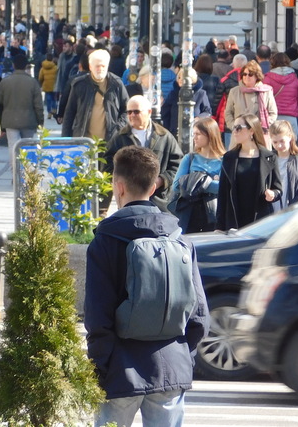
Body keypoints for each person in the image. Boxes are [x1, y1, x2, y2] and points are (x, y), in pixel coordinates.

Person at [85, 145, 209, 427]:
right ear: (153, 187)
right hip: (171, 366)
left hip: (120, 369)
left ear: (118, 187)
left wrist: (100, 367)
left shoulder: (106, 240)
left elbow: (97, 316)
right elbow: (199, 315)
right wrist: (183, 357)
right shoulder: (179, 238)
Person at [104, 95, 183, 213]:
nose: (132, 115)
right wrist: (122, 182)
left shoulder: (164, 137)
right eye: (129, 112)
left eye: (136, 112)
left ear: (149, 112)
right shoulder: (119, 138)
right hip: (129, 201)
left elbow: (178, 165)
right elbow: (107, 165)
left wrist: (162, 180)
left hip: (158, 201)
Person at [216, 113, 283, 230]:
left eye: (238, 128)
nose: (234, 132)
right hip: (234, 220)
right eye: (233, 128)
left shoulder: (269, 157)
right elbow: (223, 194)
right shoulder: (229, 158)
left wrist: (273, 194)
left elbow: (278, 189)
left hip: (261, 220)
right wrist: (219, 227)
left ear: (251, 131)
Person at [61, 49, 129, 144]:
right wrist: (65, 140)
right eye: (97, 66)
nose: (100, 69)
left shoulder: (117, 84)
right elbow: (69, 113)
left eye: (103, 66)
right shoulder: (79, 84)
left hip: (110, 143)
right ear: (90, 67)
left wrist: (118, 127)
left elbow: (126, 110)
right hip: (85, 141)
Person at [170, 117, 225, 233]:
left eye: (198, 134)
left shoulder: (224, 160)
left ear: (210, 134)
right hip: (189, 215)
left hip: (214, 214)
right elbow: (176, 186)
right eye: (193, 133)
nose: (194, 137)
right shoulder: (189, 158)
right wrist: (209, 180)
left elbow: (223, 188)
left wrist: (194, 180)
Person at [223, 60, 278, 146]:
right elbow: (228, 112)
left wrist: (260, 127)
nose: (247, 77)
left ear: (257, 76)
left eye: (250, 74)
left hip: (260, 135)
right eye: (244, 74)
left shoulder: (266, 91)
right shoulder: (234, 91)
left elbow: (273, 113)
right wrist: (235, 126)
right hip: (238, 134)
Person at [0, 54, 44, 148]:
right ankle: (25, 163)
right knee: (27, 147)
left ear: (13, 65)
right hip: (29, 120)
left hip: (10, 120)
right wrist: (40, 121)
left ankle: (13, 163)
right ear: (26, 66)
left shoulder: (5, 81)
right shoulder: (32, 82)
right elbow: (38, 105)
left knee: (13, 147)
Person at [267, 120, 298, 210]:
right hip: (270, 213)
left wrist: (293, 209)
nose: (279, 146)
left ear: (290, 137)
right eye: (275, 142)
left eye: (282, 141)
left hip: (292, 213)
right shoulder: (267, 158)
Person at [160, 67, 212, 137]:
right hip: (175, 132)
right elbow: (165, 113)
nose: (181, 80)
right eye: (179, 77)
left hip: (195, 133)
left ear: (192, 79)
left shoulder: (201, 94)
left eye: (184, 77)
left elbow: (207, 112)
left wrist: (198, 118)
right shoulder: (173, 93)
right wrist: (167, 132)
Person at [263, 52, 298, 136]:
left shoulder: (267, 79)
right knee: (290, 145)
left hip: (273, 117)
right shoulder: (294, 78)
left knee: (274, 144)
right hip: (291, 117)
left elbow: (263, 100)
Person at [38, 52, 59, 119]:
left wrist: (41, 84)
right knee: (54, 99)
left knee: (48, 99)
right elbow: (58, 76)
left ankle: (49, 112)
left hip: (46, 86)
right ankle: (54, 110)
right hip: (54, 86)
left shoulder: (43, 68)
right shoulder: (55, 67)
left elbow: (40, 78)